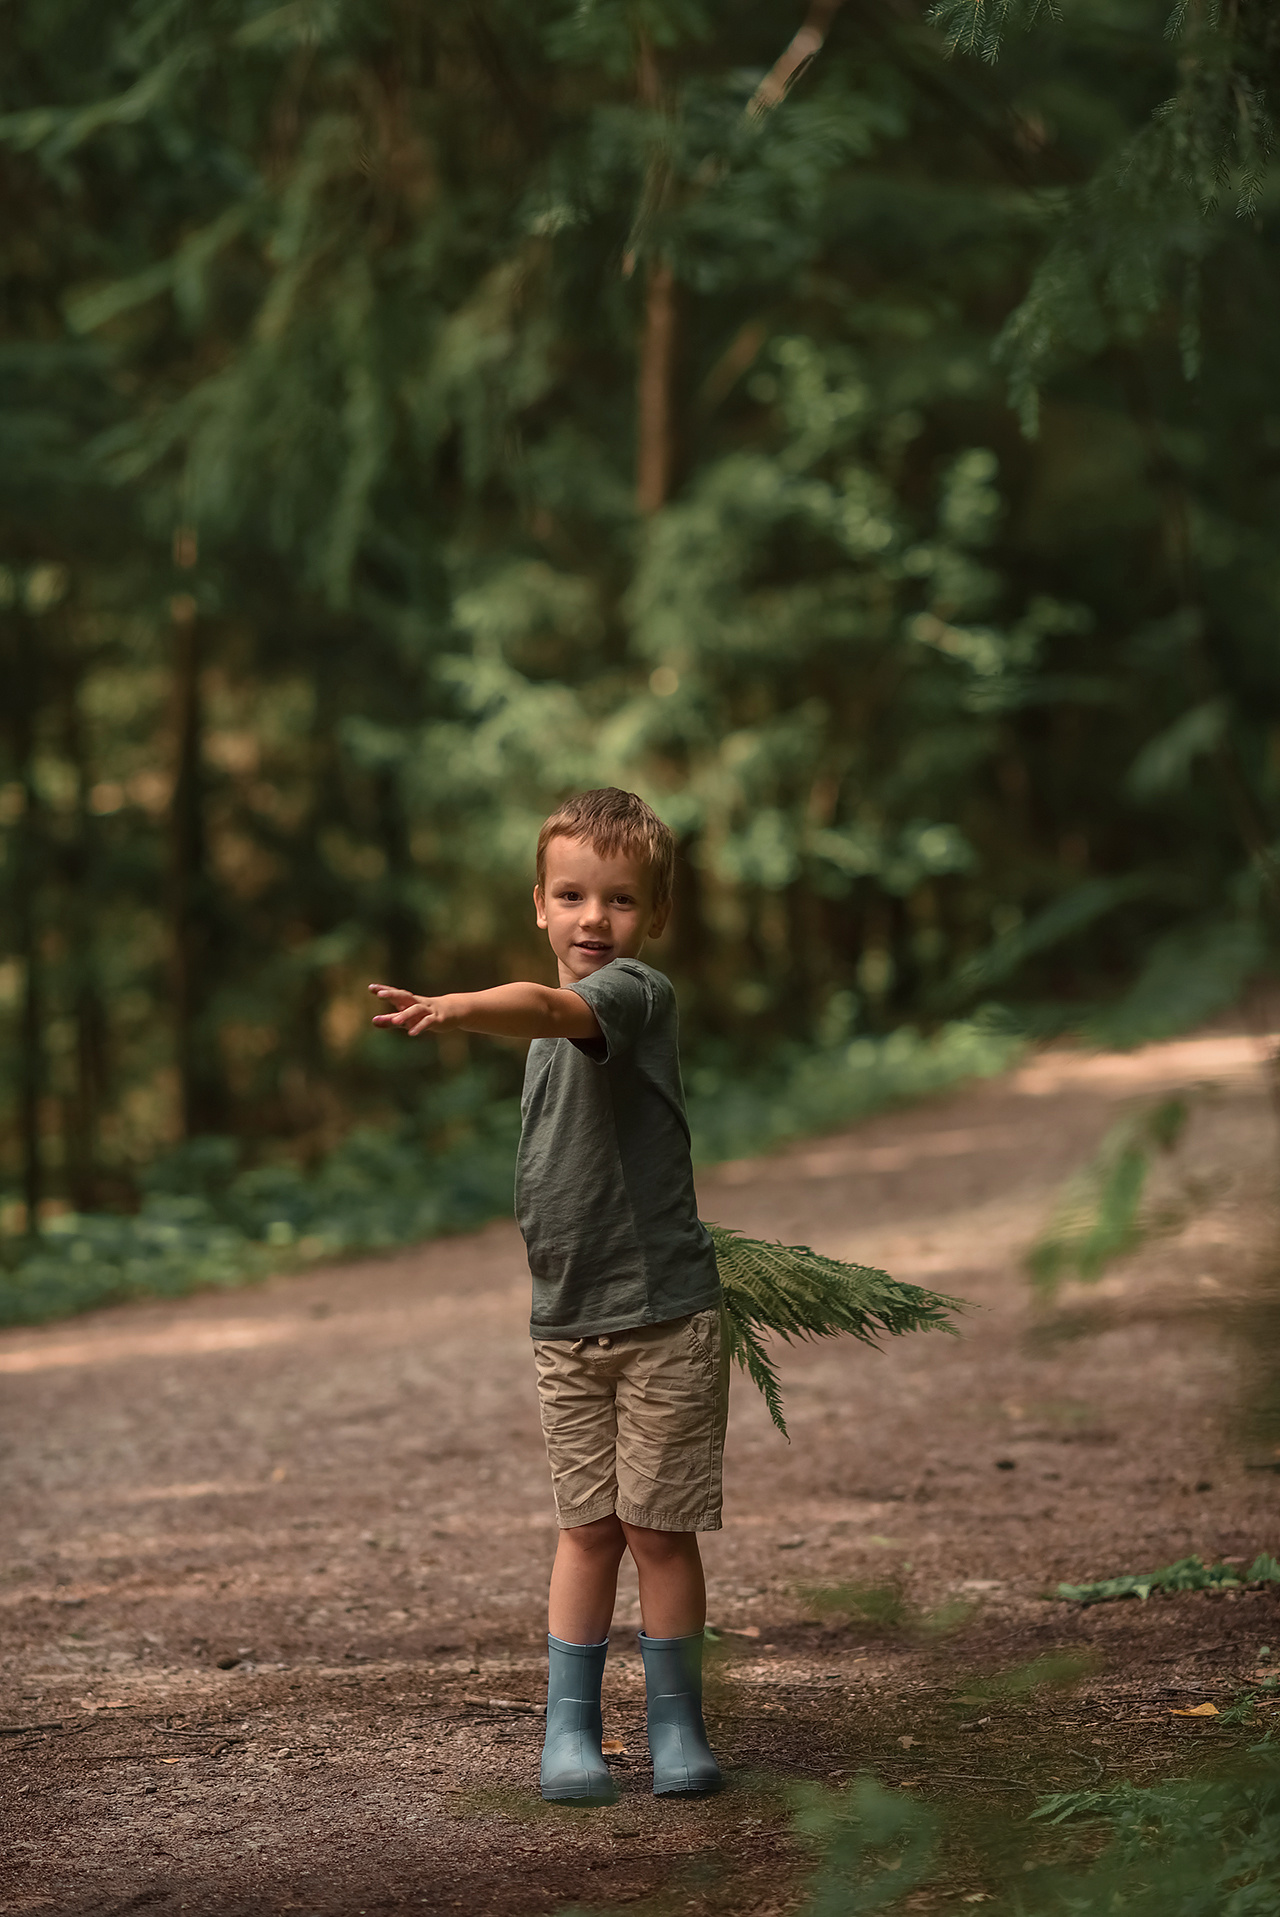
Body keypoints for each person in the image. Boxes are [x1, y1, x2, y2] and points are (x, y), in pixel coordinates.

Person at [369, 788, 727, 1805]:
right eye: (569, 895)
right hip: (566, 1326)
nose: (590, 920)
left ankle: (675, 1728)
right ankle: (567, 1732)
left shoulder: (630, 996)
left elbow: (545, 1006)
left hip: (661, 1319)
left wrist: (453, 1008)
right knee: (586, 1528)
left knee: (658, 1530)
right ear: (537, 902)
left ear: (649, 918)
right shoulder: (547, 1030)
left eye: (616, 901)